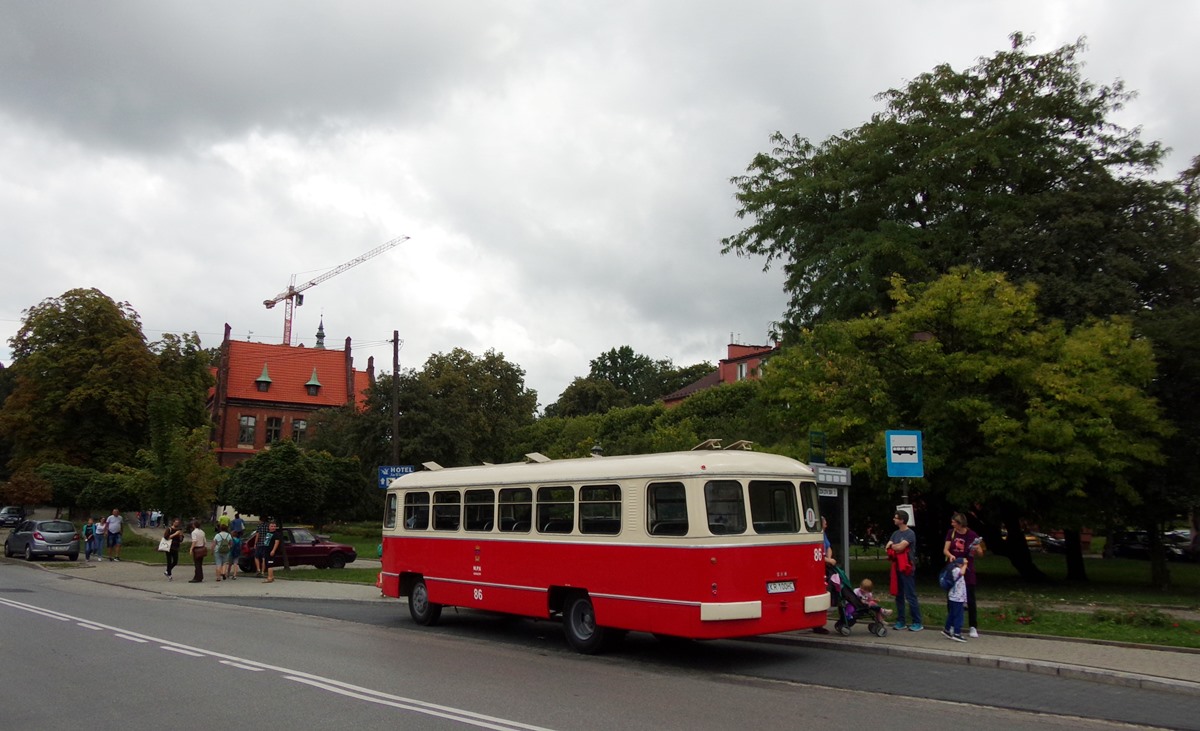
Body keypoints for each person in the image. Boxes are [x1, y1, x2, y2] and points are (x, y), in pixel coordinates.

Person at [943, 512, 984, 638]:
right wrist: (950, 555)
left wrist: (977, 548)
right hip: (954, 569)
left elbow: (981, 553)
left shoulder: (971, 535)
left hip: (967, 569)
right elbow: (945, 549)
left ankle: (973, 626)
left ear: (960, 523)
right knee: (952, 598)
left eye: (954, 522)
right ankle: (951, 626)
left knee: (970, 598)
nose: (952, 524)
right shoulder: (951, 533)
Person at [887, 509, 923, 631]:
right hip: (896, 567)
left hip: (907, 567)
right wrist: (895, 547)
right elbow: (889, 547)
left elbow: (901, 547)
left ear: (902, 520)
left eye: (896, 517)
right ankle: (901, 621)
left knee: (910, 595)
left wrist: (895, 546)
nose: (894, 519)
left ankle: (917, 621)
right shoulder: (895, 534)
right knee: (899, 595)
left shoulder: (910, 533)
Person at [813, 515, 837, 634]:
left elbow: (828, 547)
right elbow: (817, 553)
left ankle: (819, 623)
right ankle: (817, 624)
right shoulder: (816, 535)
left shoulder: (824, 534)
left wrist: (829, 557)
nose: (826, 524)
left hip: (825, 567)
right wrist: (829, 560)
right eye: (825, 522)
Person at [942, 556, 968, 642]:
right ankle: (957, 633)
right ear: (960, 564)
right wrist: (965, 564)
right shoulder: (956, 570)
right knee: (958, 616)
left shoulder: (952, 568)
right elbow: (962, 573)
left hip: (953, 596)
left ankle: (947, 629)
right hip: (957, 597)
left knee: (952, 614)